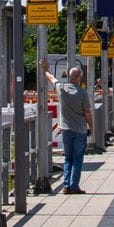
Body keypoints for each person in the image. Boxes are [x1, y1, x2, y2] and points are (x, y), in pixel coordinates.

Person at [45, 65, 96, 195]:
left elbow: (51, 78)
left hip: (66, 130)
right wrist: (91, 127)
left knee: (68, 158)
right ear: (80, 78)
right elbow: (87, 112)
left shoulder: (61, 88)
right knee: (78, 159)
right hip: (80, 130)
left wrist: (45, 69)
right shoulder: (82, 93)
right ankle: (74, 186)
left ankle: (66, 185)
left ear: (69, 77)